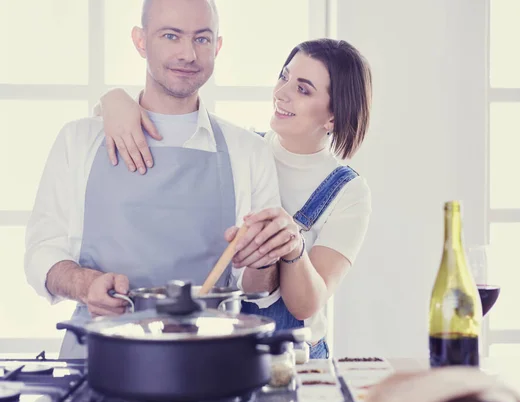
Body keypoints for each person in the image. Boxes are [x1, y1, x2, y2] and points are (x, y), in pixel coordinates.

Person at [24, 0, 290, 359]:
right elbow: (42, 252)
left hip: (210, 360)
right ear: (140, 41)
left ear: (218, 46)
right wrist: (85, 285)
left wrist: (265, 255)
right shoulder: (79, 139)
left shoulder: (248, 152)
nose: (188, 54)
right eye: (170, 36)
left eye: (202, 39)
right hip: (97, 358)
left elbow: (257, 288)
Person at [95, 36, 373, 359]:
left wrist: (293, 246)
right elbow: (128, 117)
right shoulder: (240, 150)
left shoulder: (348, 193)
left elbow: (305, 304)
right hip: (228, 344)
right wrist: (113, 100)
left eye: (303, 89)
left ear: (333, 117)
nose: (281, 93)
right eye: (284, 76)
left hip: (295, 358)